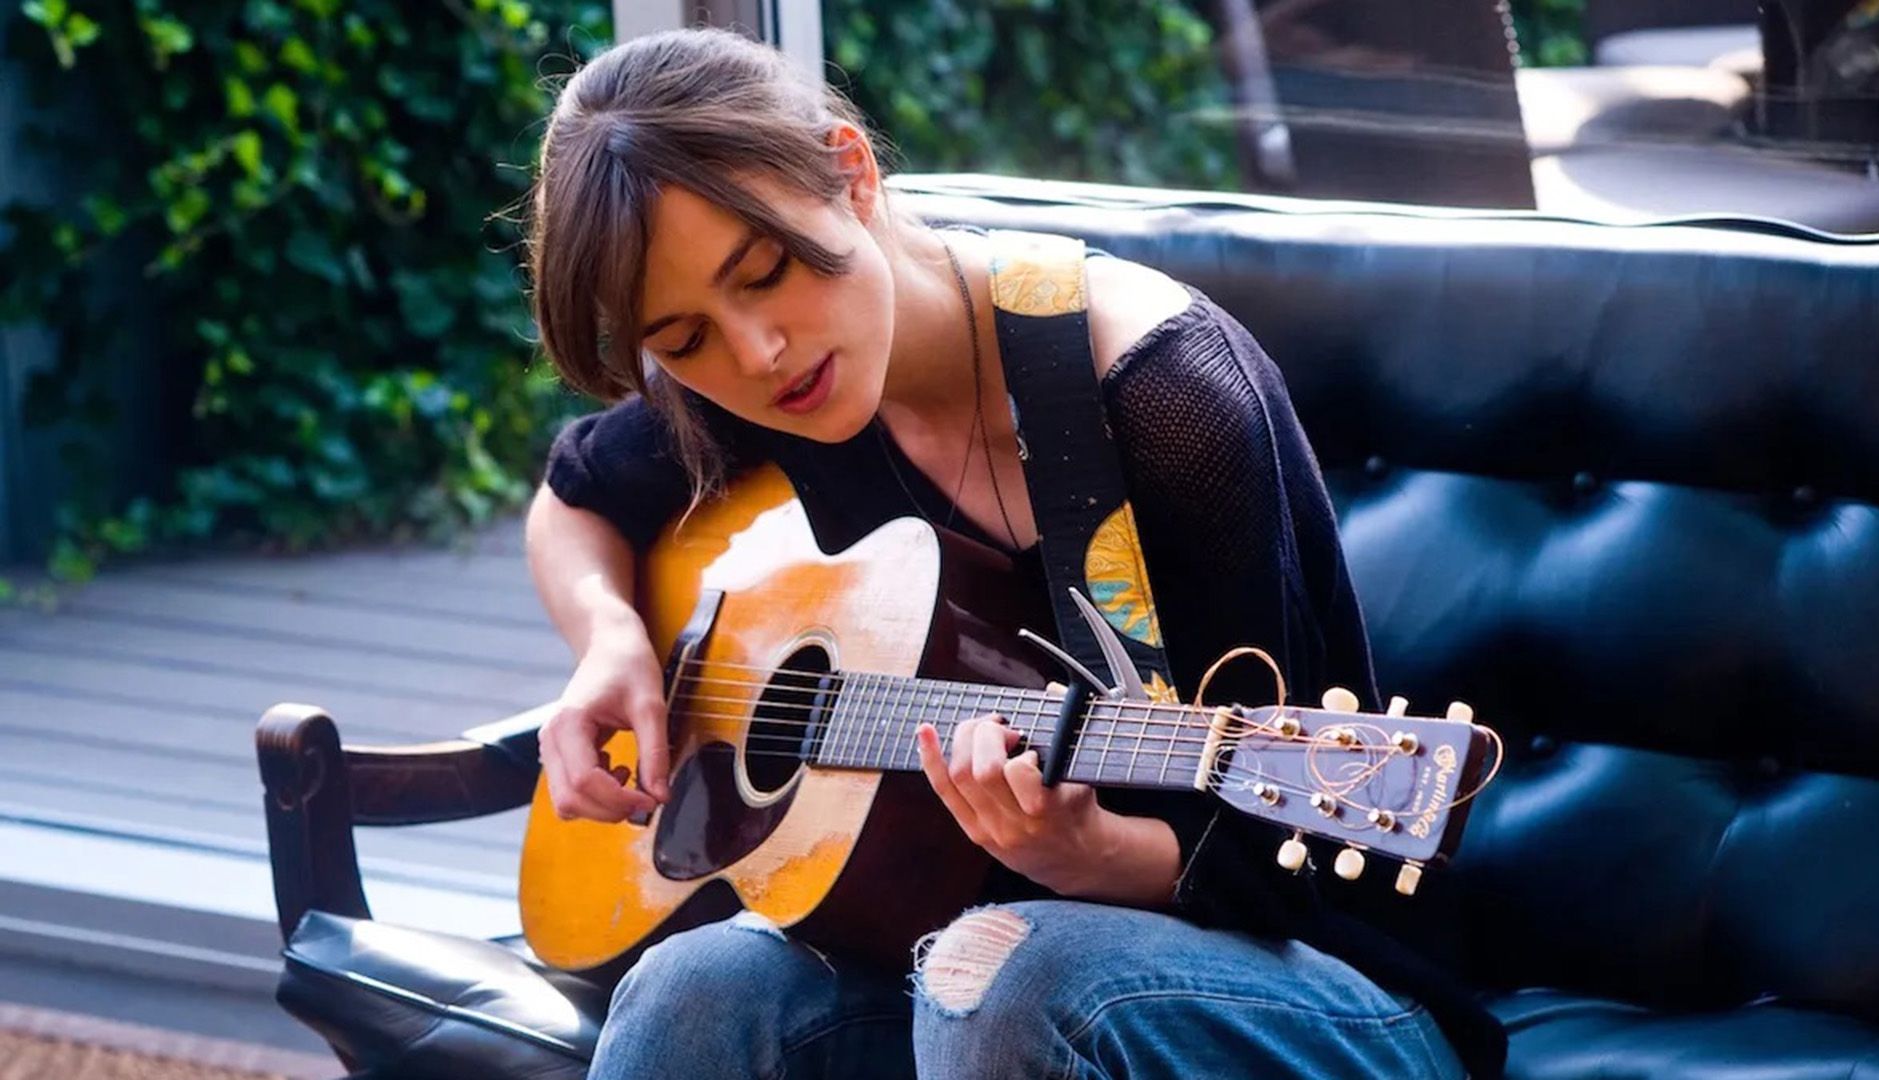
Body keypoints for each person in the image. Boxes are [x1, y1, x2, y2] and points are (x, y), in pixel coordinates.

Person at [522, 25, 1505, 1080]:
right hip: (958, 980)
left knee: (1001, 974)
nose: (754, 353)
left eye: (763, 272)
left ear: (850, 173)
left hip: (1314, 989)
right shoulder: (780, 386)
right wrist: (610, 639)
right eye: (681, 341)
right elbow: (573, 500)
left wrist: (1093, 858)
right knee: (697, 990)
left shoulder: (1168, 402)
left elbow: (1295, 873)